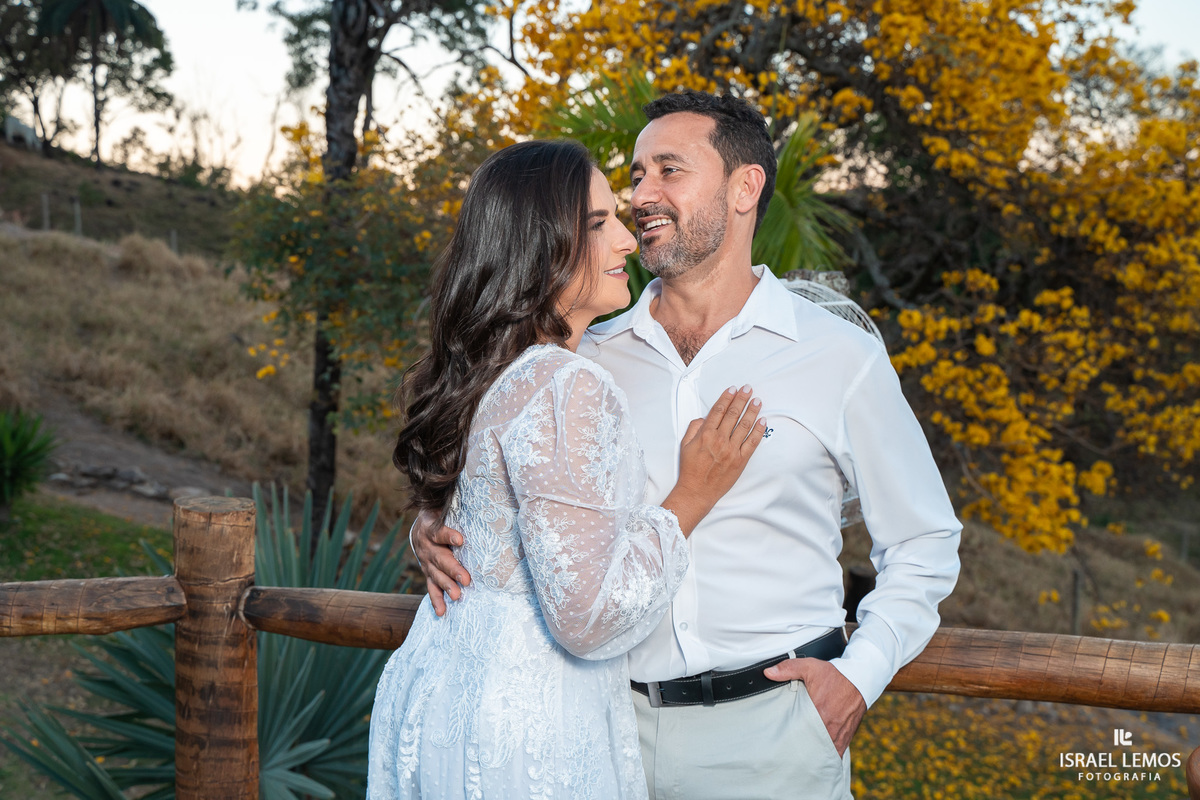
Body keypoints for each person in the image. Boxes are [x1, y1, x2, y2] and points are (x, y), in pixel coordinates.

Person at [412, 92, 963, 799]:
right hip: (598, 729)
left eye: (669, 170)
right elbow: (515, 492)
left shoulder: (837, 354)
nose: (643, 194)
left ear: (745, 187)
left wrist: (858, 677)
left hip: (775, 736)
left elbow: (923, 542)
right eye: (636, 175)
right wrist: (435, 527)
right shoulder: (585, 355)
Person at [367, 138, 768, 800]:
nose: (626, 243)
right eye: (596, 224)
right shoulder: (563, 384)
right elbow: (587, 619)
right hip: (524, 727)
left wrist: (429, 528)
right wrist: (691, 496)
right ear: (536, 244)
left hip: (440, 694)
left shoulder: (486, 367)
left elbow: (483, 512)